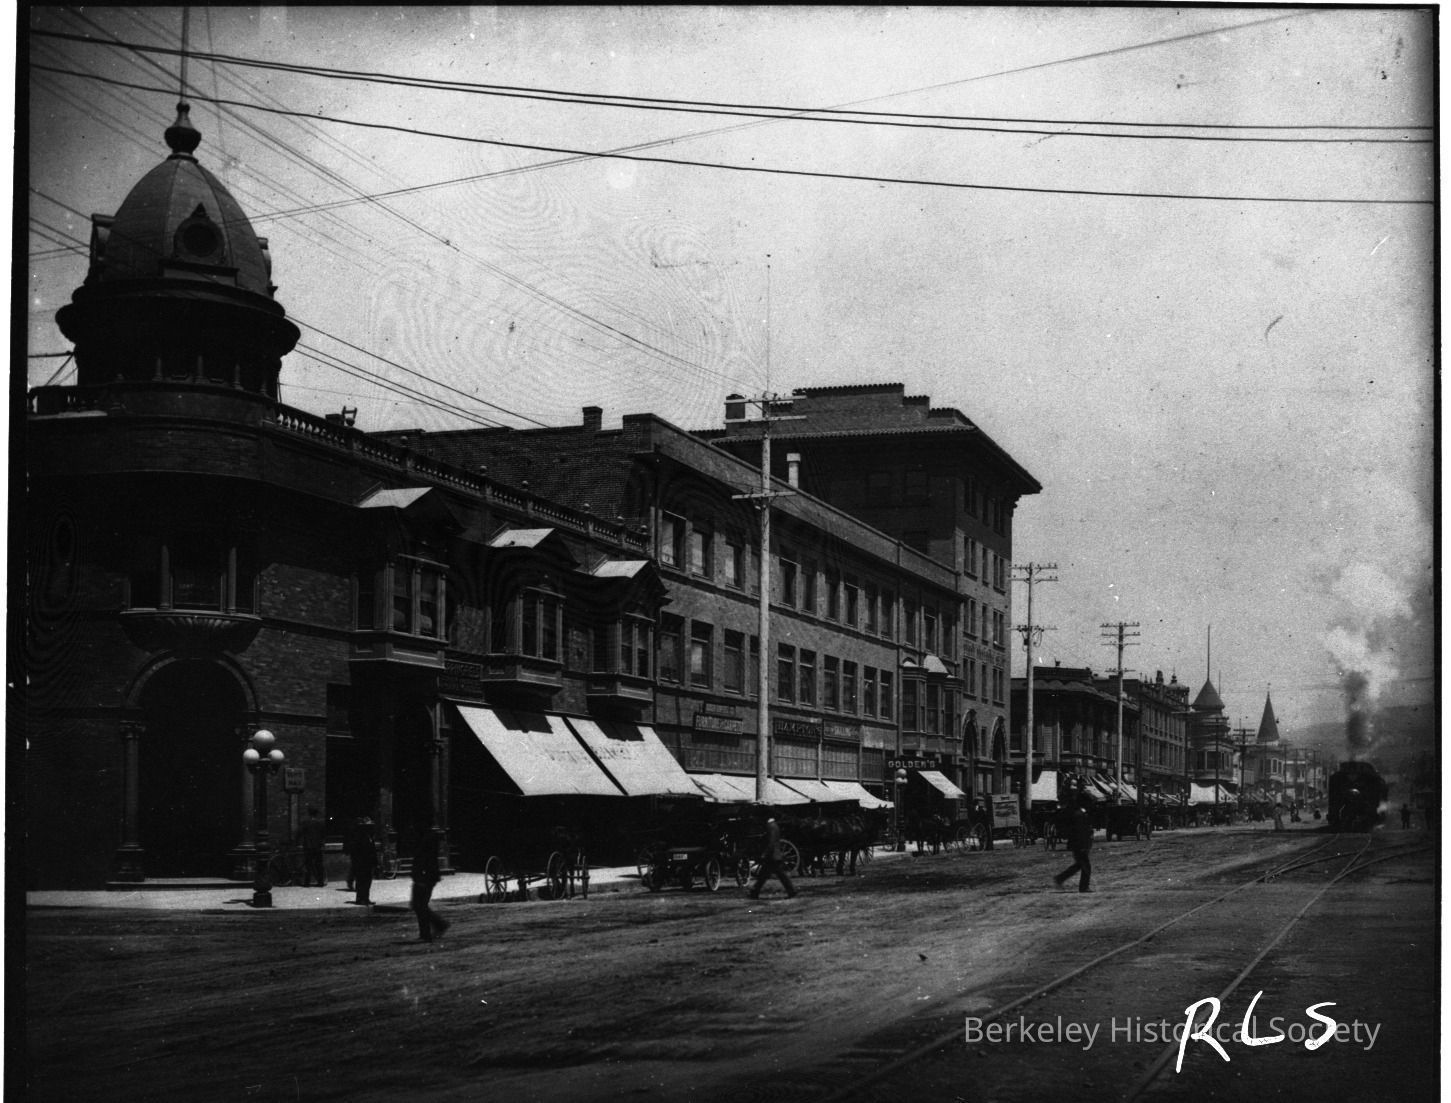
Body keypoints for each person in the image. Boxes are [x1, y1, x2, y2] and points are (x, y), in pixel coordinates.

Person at [411, 823, 449, 942]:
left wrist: (422, 876)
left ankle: (428, 932)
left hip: (424, 877)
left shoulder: (427, 838)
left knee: (419, 905)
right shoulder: (427, 837)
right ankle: (436, 926)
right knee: (419, 905)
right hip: (425, 876)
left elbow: (426, 859)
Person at [748, 816, 797, 900]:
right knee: (769, 875)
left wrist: (765, 853)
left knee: (768, 875)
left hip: (772, 855)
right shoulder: (773, 825)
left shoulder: (771, 826)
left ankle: (755, 892)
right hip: (774, 855)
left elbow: (771, 842)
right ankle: (754, 892)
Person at [1053, 795, 1094, 893]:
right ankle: (1083, 887)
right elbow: (1081, 832)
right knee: (1085, 866)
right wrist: (1084, 845)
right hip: (1080, 844)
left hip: (1078, 844)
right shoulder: (1079, 815)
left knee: (1079, 865)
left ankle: (1060, 878)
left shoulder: (1077, 813)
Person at [347, 816, 378, 905]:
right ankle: (360, 898)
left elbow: (373, 851)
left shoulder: (370, 837)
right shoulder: (360, 837)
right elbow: (357, 851)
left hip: (368, 863)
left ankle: (366, 898)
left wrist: (375, 863)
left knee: (368, 881)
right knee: (361, 881)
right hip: (362, 863)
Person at [300, 806, 327, 887]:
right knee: (319, 865)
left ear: (309, 814)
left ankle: (307, 882)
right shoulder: (320, 823)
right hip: (318, 847)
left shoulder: (306, 823)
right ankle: (320, 882)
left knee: (308, 865)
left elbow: (300, 833)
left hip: (308, 846)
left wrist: (297, 842)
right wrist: (322, 844)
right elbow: (323, 835)